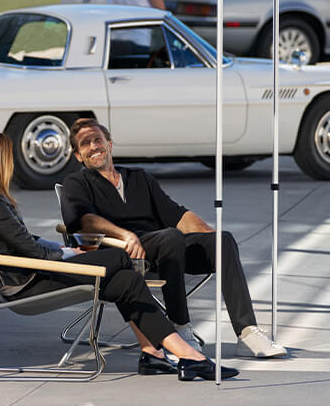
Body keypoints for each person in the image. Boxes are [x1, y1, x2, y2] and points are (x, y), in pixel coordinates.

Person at [0, 128, 236, 381]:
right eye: (7, 156)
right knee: (120, 258)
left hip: (29, 272)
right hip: (26, 281)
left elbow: (26, 241)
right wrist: (66, 255)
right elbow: (28, 250)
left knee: (125, 280)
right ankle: (183, 354)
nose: (11, 162)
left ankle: (162, 355)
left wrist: (64, 249)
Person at [61, 118, 287, 359]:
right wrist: (124, 234)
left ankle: (247, 332)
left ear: (110, 144)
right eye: (86, 143)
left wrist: (207, 236)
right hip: (122, 253)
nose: (94, 146)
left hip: (168, 249)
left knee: (223, 240)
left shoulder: (139, 178)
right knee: (171, 237)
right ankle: (181, 328)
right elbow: (84, 221)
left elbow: (176, 215)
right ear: (78, 155)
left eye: (98, 139)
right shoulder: (76, 183)